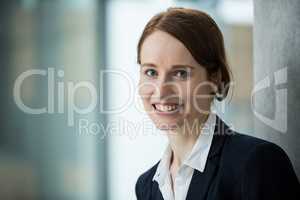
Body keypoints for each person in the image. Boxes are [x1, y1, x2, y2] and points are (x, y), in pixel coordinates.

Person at [135, 7, 300, 200]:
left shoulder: (257, 163)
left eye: (180, 73)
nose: (161, 91)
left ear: (214, 78)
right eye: (151, 72)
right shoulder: (146, 186)